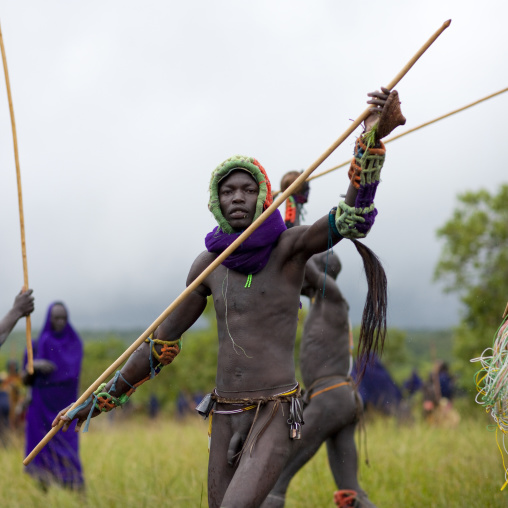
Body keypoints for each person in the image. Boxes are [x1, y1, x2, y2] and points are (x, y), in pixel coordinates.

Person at [54, 88, 404, 507]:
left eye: (246, 189)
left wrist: (371, 139)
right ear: (215, 202)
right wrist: (96, 399)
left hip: (274, 410)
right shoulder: (208, 265)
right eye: (227, 191)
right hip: (222, 414)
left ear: (262, 196)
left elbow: (350, 220)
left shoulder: (288, 249)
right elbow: (161, 345)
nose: (237, 197)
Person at [262, 252, 376, 508]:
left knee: (276, 475)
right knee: (350, 492)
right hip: (338, 399)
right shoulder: (319, 300)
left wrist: (292, 235)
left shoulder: (332, 296)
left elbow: (301, 256)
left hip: (331, 398)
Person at [24, 302, 84, 490]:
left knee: (69, 453)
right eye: (56, 318)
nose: (60, 322)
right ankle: (44, 495)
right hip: (40, 409)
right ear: (49, 320)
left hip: (67, 411)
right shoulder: (35, 347)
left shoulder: (74, 344)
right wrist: (34, 366)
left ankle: (77, 494)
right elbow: (25, 380)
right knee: (42, 452)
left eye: (63, 317)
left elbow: (73, 376)